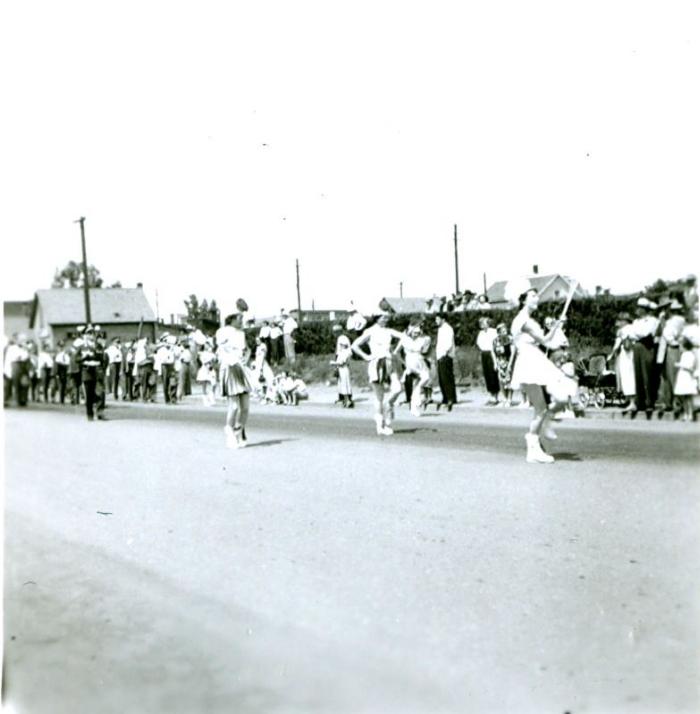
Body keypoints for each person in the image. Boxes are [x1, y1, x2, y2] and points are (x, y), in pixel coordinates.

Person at [507, 282, 579, 463]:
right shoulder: (525, 321)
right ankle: (533, 447)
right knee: (541, 409)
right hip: (529, 362)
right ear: (524, 300)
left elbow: (551, 344)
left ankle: (545, 424)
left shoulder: (526, 319)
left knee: (559, 399)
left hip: (535, 359)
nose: (537, 298)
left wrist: (557, 327)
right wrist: (557, 326)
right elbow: (547, 341)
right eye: (533, 296)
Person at [351, 309, 404, 435]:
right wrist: (366, 356)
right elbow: (355, 345)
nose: (386, 319)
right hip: (377, 364)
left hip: (390, 363)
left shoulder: (389, 331)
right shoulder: (370, 331)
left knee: (397, 388)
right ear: (377, 318)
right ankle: (381, 426)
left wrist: (396, 350)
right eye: (383, 317)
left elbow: (404, 337)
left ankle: (389, 404)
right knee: (379, 397)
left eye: (387, 317)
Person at [216, 304, 252, 448]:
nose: (242, 320)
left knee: (245, 406)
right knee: (234, 406)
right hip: (229, 368)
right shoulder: (222, 332)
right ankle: (229, 430)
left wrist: (246, 359)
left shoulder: (241, 334)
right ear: (232, 318)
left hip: (240, 369)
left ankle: (239, 430)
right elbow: (222, 350)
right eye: (240, 317)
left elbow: (246, 350)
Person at [629, 297, 660, 419]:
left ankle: (649, 402)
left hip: (647, 346)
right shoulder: (636, 322)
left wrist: (636, 334)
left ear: (645, 309)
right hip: (637, 346)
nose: (638, 310)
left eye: (640, 308)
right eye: (638, 307)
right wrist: (636, 334)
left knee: (647, 374)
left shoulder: (652, 320)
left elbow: (646, 333)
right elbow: (631, 334)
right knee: (638, 375)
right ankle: (640, 402)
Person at [655, 299, 686, 418]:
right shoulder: (664, 321)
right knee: (666, 377)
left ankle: (678, 403)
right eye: (662, 308)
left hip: (673, 348)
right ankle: (667, 402)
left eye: (665, 308)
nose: (663, 311)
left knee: (674, 376)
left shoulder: (677, 320)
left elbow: (669, 335)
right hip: (664, 350)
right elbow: (658, 334)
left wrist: (663, 323)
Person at [398, 320, 432, 417]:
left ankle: (414, 406)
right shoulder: (405, 340)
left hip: (419, 360)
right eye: (414, 333)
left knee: (423, 379)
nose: (415, 335)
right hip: (410, 361)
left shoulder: (422, 339)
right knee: (424, 378)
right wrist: (404, 363)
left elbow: (425, 350)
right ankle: (417, 399)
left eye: (417, 333)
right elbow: (396, 352)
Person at [77, 325, 107, 421]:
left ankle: (100, 413)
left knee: (100, 392)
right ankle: (89, 414)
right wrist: (84, 357)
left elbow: (103, 359)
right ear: (85, 335)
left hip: (97, 371)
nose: (91, 335)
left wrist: (101, 368)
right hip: (87, 372)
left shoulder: (98, 346)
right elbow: (76, 359)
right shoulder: (82, 347)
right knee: (89, 395)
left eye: (93, 333)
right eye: (89, 333)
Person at [608, 313, 636, 412]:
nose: (618, 323)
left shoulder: (623, 330)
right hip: (632, 353)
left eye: (620, 320)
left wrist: (611, 354)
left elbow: (617, 344)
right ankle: (631, 400)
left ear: (624, 321)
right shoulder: (634, 327)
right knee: (631, 376)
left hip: (626, 354)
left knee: (627, 377)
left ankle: (631, 402)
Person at [434, 313, 457, 410]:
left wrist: (444, 354)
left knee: (447, 377)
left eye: (437, 319)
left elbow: (448, 343)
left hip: (446, 356)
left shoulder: (448, 329)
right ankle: (445, 397)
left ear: (443, 319)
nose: (436, 321)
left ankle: (451, 398)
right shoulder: (440, 329)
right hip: (440, 356)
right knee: (441, 378)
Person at [476, 317, 499, 405]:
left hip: (491, 353)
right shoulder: (481, 333)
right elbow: (479, 343)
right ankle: (491, 395)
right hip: (484, 354)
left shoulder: (493, 331)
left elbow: (495, 342)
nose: (482, 324)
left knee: (493, 373)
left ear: (488, 323)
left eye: (483, 323)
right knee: (487, 374)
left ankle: (495, 396)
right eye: (481, 323)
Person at [674, 336, 698, 421]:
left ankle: (690, 414)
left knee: (688, 398)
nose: (680, 348)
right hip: (682, 377)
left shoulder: (690, 355)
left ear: (685, 346)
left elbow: (690, 367)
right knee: (683, 398)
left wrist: (680, 365)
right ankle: (685, 413)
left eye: (681, 346)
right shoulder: (683, 354)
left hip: (687, 378)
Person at [331, 324, 354, 408]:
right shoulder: (340, 338)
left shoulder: (342, 338)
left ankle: (348, 399)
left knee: (344, 382)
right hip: (340, 361)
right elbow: (338, 352)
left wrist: (338, 362)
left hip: (343, 362)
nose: (334, 333)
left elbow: (345, 351)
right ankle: (343, 398)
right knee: (341, 382)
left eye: (335, 332)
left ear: (339, 331)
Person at [492, 323, 513, 407]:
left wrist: (510, 364)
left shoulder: (510, 339)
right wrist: (495, 363)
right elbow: (493, 352)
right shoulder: (495, 340)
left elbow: (512, 353)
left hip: (508, 361)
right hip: (499, 361)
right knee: (500, 380)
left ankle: (509, 399)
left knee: (509, 380)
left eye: (505, 330)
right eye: (503, 331)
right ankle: (504, 398)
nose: (505, 332)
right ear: (499, 332)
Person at [196, 339, 218, 405]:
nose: (207, 346)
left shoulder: (212, 354)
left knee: (214, 383)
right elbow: (203, 361)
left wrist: (213, 362)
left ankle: (211, 396)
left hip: (211, 370)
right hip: (204, 369)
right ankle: (205, 400)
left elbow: (215, 361)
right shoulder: (202, 354)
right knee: (204, 385)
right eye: (206, 345)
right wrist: (208, 364)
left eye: (208, 344)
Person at [53, 340, 71, 404]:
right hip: (59, 370)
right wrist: (57, 373)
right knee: (57, 385)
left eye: (62, 346)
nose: (61, 348)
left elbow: (68, 362)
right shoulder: (57, 354)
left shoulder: (66, 354)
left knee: (64, 385)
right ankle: (54, 398)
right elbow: (56, 364)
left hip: (65, 370)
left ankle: (62, 399)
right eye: (60, 346)